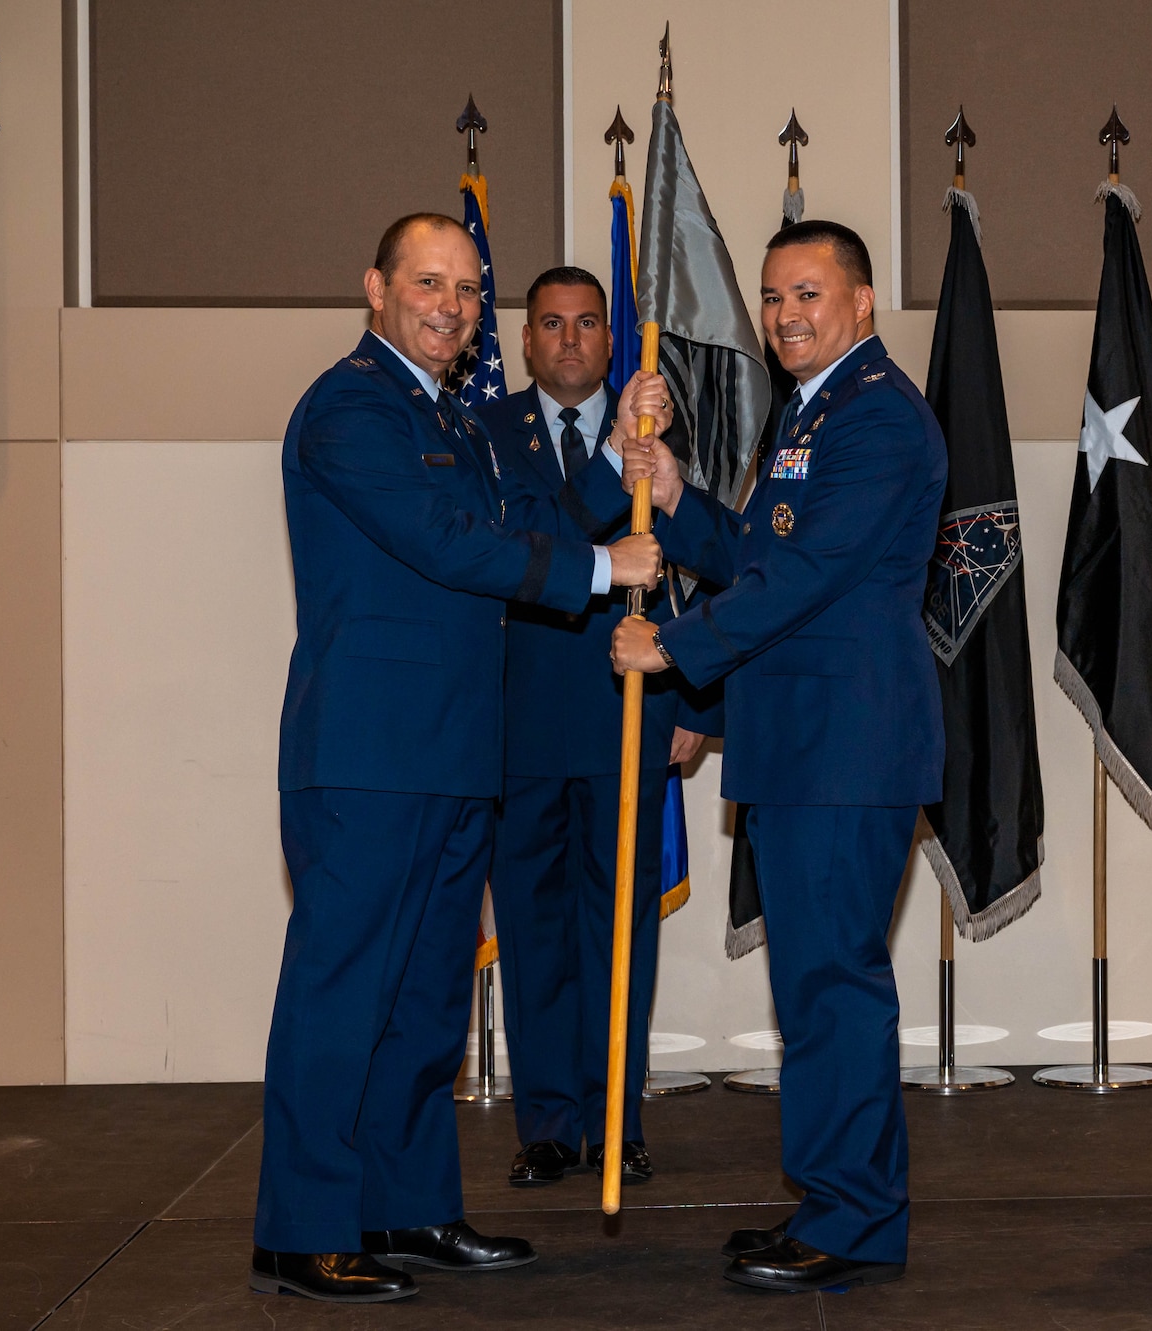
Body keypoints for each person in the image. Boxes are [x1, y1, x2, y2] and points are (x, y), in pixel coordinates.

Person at [253, 214, 662, 1304]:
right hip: (369, 755)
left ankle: (407, 1206)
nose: (451, 305)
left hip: (453, 753)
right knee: (343, 994)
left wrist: (624, 441)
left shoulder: (462, 420)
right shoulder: (348, 406)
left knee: (428, 1000)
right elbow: (446, 540)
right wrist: (593, 565)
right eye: (428, 282)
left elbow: (536, 516)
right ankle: (302, 1230)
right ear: (374, 288)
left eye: (469, 289)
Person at [610, 220, 945, 1293]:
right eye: (770, 296)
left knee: (835, 983)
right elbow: (763, 550)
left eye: (807, 292)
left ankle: (853, 1219)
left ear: (861, 300)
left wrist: (673, 644)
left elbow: (806, 578)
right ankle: (830, 1198)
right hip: (798, 744)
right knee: (809, 986)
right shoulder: (812, 413)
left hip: (846, 748)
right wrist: (673, 497)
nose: (785, 315)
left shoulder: (882, 418)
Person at [475, 267, 712, 1190]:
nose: (570, 340)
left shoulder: (656, 432)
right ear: (526, 342)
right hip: (523, 721)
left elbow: (688, 563)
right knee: (536, 928)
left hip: (631, 712)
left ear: (614, 341)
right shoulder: (487, 434)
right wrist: (615, 459)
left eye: (587, 324)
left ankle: (618, 1117)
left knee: (623, 928)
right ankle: (546, 1122)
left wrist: (693, 694)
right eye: (550, 325)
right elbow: (530, 545)